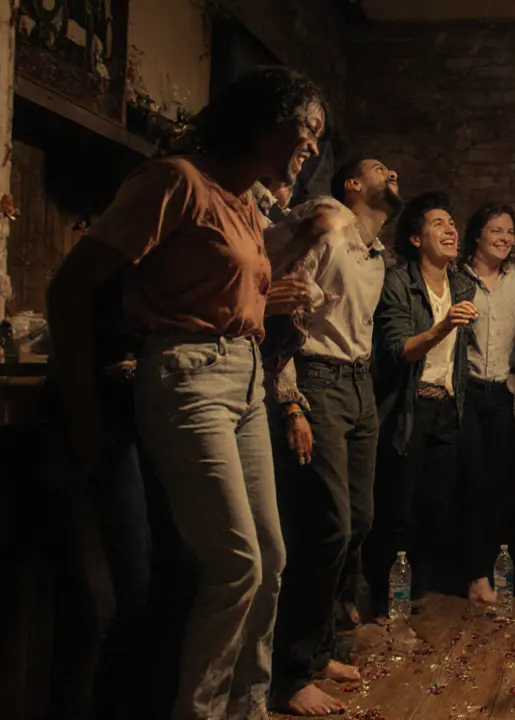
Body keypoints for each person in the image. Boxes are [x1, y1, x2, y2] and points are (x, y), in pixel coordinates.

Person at [45, 65, 326, 720]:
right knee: (234, 564)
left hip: (246, 374)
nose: (311, 145)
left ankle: (247, 709)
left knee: (271, 560)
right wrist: (83, 407)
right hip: (187, 374)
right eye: (303, 130)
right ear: (262, 123)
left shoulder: (244, 201)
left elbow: (227, 284)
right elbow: (72, 285)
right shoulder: (176, 181)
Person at [264, 157, 401, 716]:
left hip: (359, 383)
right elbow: (284, 311)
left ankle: (322, 651)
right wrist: (291, 398)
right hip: (318, 378)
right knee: (326, 527)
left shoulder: (374, 253)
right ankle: (290, 673)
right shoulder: (325, 220)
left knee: (359, 522)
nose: (390, 172)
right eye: (378, 169)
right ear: (352, 184)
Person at [368, 192, 478, 612]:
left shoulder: (461, 283)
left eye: (452, 222)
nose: (450, 229)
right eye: (438, 223)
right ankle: (388, 604)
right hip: (408, 407)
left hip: (447, 407)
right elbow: (397, 351)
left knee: (436, 508)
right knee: (398, 509)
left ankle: (411, 591)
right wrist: (443, 324)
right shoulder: (398, 281)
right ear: (416, 239)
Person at [457, 203, 515, 604]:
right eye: (496, 231)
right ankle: (475, 575)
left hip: (502, 391)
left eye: (509, 231)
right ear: (477, 236)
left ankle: (493, 568)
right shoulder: (457, 277)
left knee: (499, 485)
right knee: (472, 482)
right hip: (466, 390)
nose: (505, 238)